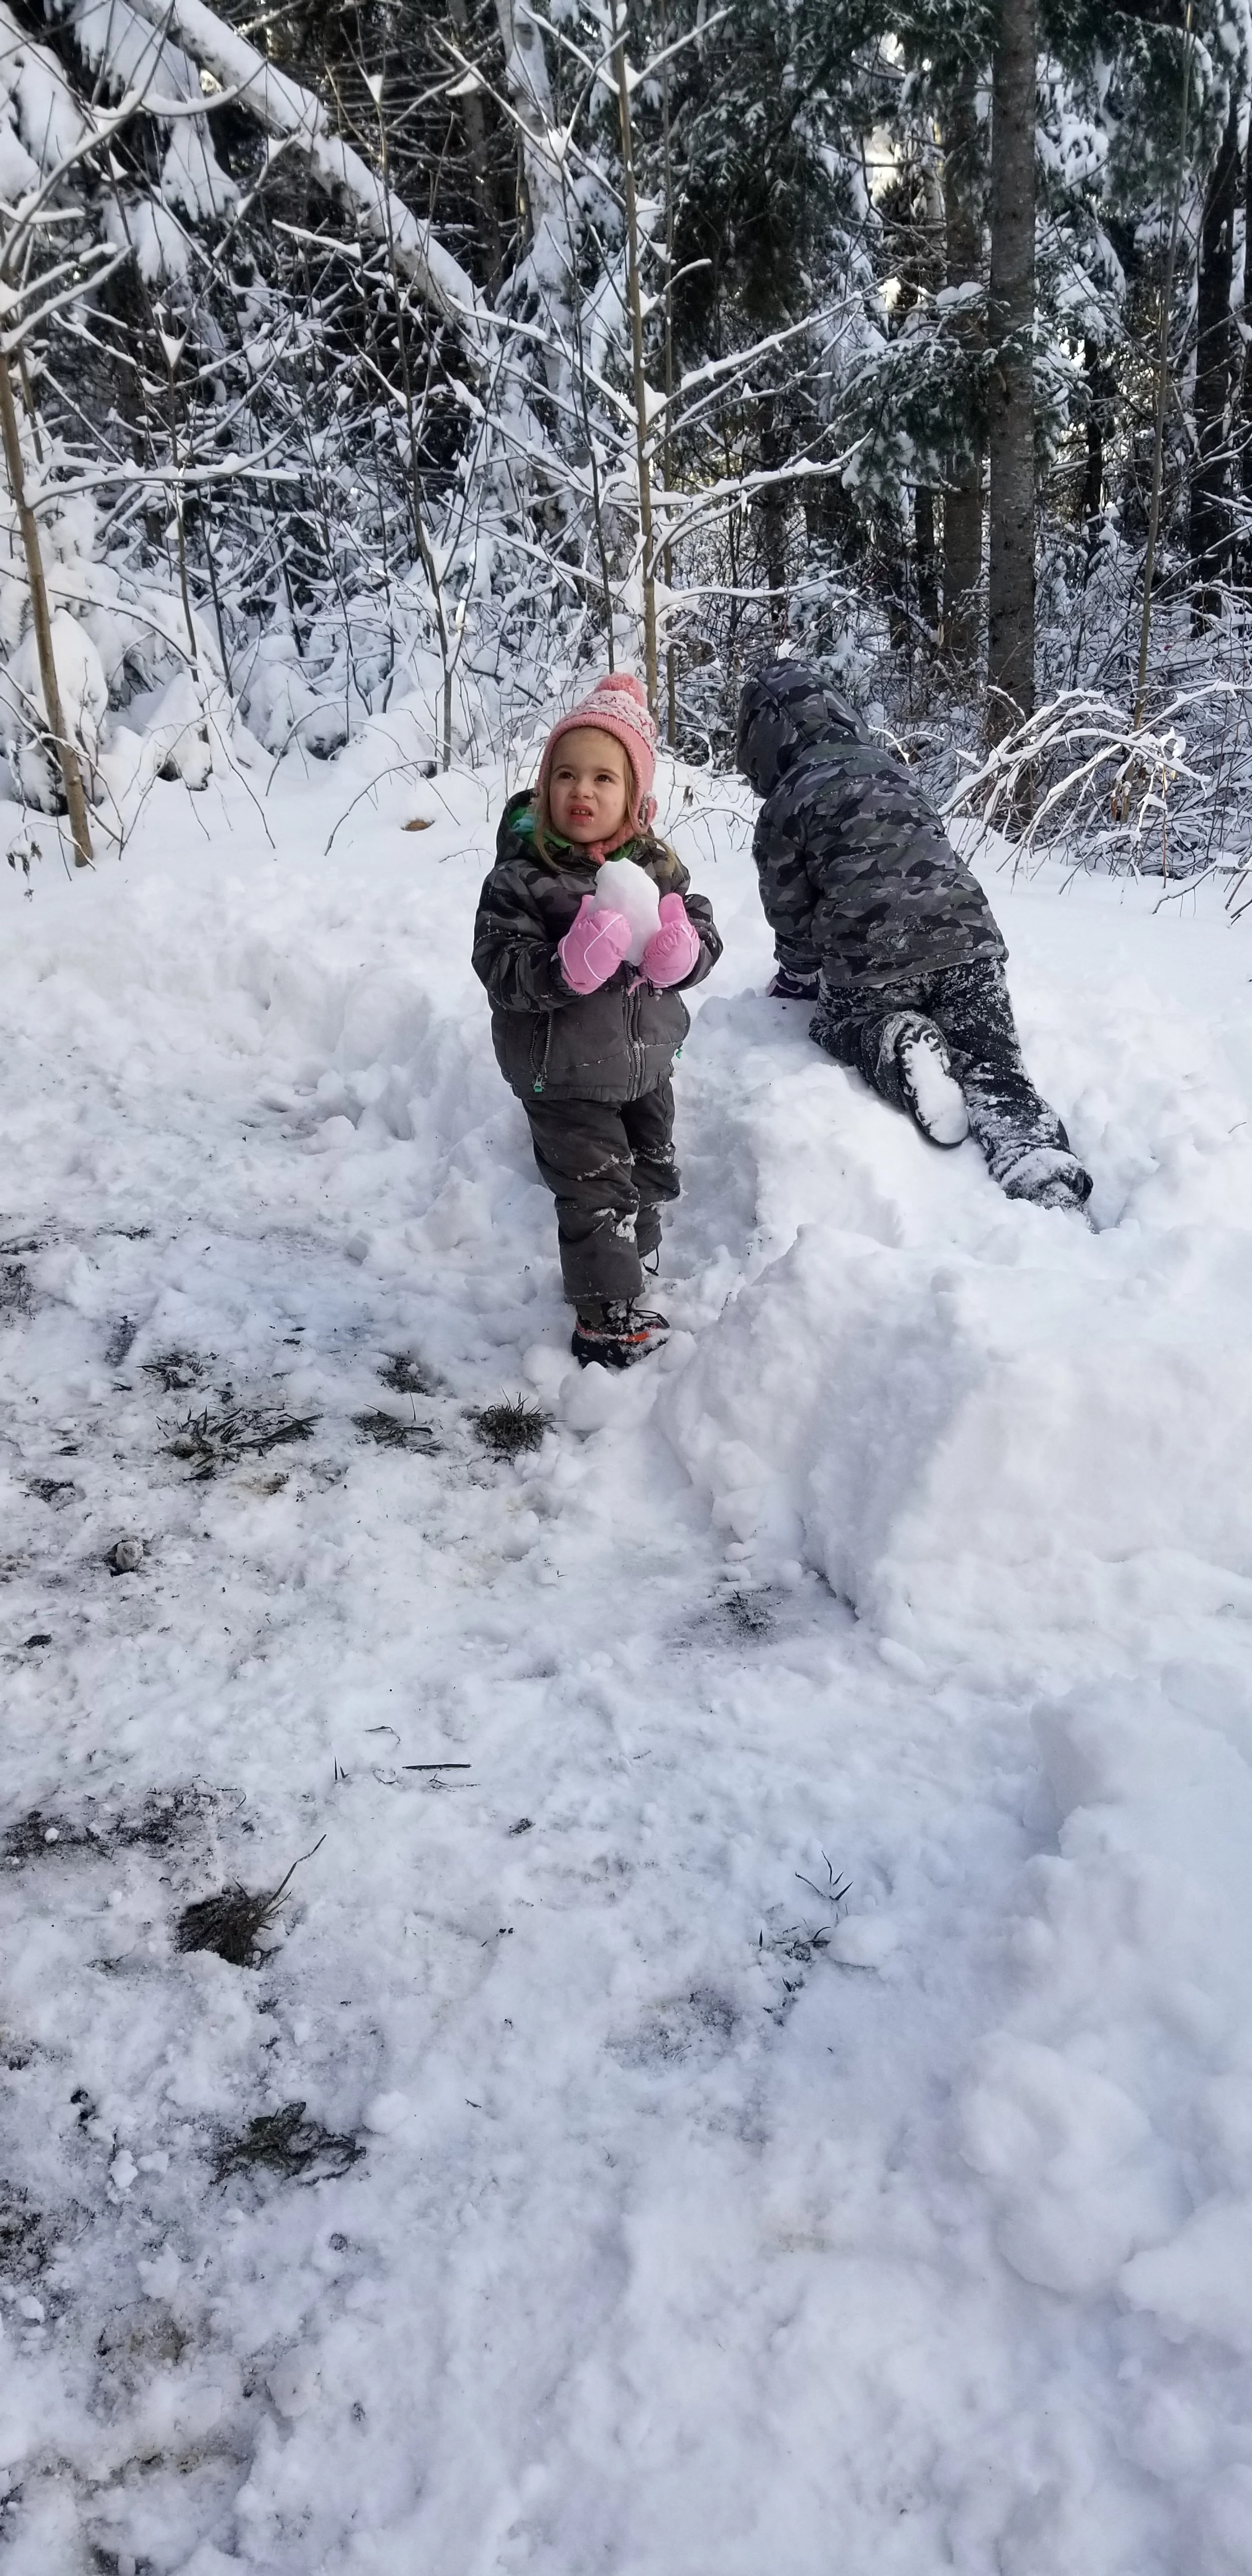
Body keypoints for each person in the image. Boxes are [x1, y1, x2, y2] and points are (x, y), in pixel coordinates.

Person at [735, 661, 1093, 1213]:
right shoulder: (893, 771)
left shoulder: (786, 800)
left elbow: (789, 907)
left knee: (836, 1024)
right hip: (967, 945)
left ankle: (892, 1037)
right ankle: (1035, 1163)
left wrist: (797, 971)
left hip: (870, 961)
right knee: (992, 1060)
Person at [473, 673, 722, 1367]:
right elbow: (498, 963)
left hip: (644, 1062)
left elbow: (701, 927)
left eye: (603, 778)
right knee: (595, 1188)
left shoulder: (657, 868)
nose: (582, 791)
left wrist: (686, 953)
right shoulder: (522, 877)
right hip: (562, 1069)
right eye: (566, 775)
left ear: (635, 800)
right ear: (546, 786)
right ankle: (606, 1318)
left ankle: (633, 1263)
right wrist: (564, 967)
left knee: (651, 1166)